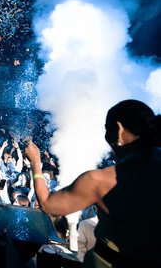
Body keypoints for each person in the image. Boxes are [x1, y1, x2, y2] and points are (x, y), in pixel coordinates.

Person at [24, 99, 161, 267]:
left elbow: (47, 204)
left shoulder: (100, 181)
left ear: (119, 130)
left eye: (107, 129)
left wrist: (35, 162)